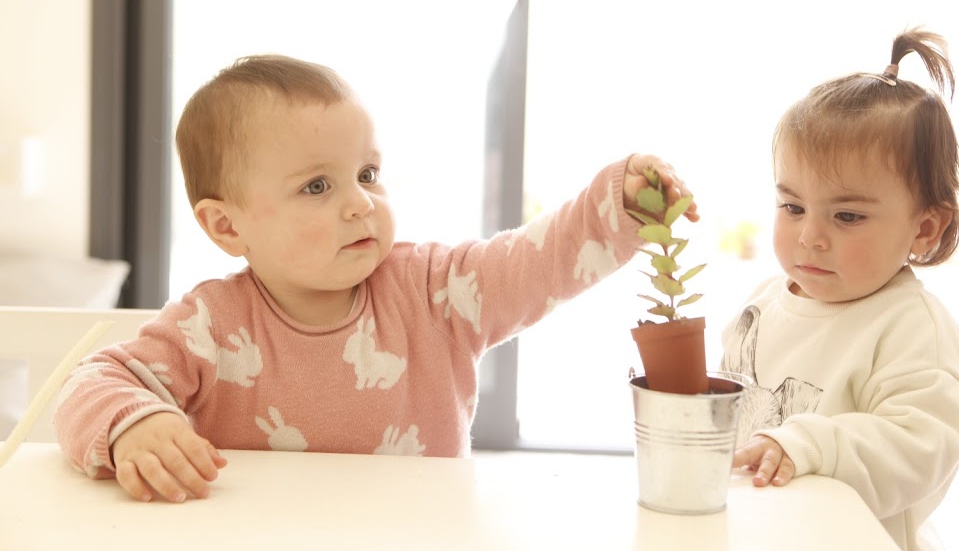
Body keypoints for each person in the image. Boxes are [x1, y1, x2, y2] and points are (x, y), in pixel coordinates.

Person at [54, 54, 698, 504]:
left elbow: (538, 260)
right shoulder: (209, 326)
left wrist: (616, 201)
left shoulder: (436, 292)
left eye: (367, 174)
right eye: (317, 186)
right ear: (227, 226)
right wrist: (134, 424)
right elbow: (89, 384)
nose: (361, 203)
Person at [719, 28, 959, 551]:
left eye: (847, 216)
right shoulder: (763, 303)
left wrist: (809, 445)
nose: (810, 237)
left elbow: (919, 446)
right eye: (793, 207)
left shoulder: (910, 327)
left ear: (924, 228)